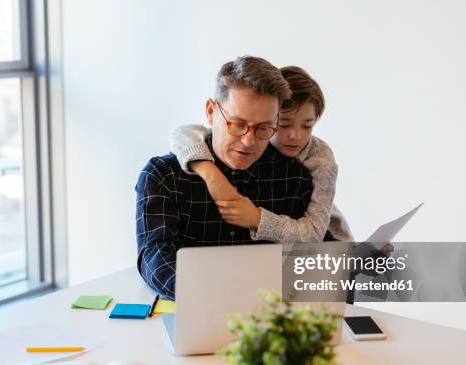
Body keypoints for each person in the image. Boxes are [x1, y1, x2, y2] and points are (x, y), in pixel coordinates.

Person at [135, 56, 322, 300]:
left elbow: (306, 256)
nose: (249, 141)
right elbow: (155, 258)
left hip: (270, 320)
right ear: (211, 112)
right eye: (237, 124)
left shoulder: (295, 177)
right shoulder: (164, 175)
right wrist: (216, 296)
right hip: (197, 309)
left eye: (264, 128)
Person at [170, 65, 354, 243]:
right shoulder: (252, 135)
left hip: (332, 246)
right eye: (284, 124)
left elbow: (313, 234)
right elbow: (183, 133)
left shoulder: (320, 159)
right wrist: (210, 173)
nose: (295, 136)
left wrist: (257, 219)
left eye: (307, 126)